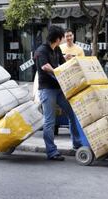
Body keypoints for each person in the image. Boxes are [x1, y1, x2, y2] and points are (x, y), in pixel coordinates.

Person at [34, 25, 82, 161]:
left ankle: (77, 144)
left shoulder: (57, 50)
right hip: (47, 90)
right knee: (50, 121)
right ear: (58, 38)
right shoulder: (42, 50)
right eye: (62, 37)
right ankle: (51, 151)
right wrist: (57, 71)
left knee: (72, 113)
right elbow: (45, 67)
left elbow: (62, 65)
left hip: (59, 88)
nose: (63, 40)